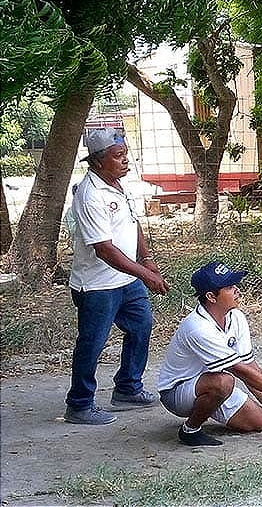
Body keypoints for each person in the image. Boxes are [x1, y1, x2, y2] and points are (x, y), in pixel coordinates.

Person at [65, 127, 169, 425]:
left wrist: (147, 260)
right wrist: (146, 277)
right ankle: (80, 404)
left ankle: (127, 388)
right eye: (118, 156)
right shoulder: (90, 194)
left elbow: (132, 224)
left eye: (126, 154)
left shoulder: (118, 185)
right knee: (93, 342)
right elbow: (105, 250)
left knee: (141, 326)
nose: (126, 161)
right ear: (98, 161)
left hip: (126, 280)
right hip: (97, 285)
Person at [158, 262, 262, 446]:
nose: (237, 290)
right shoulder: (197, 327)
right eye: (230, 287)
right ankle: (190, 430)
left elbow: (249, 365)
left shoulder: (236, 316)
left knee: (258, 422)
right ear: (211, 296)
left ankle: (209, 406)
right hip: (176, 392)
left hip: (210, 385)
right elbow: (239, 370)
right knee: (224, 381)